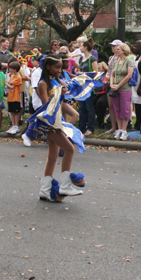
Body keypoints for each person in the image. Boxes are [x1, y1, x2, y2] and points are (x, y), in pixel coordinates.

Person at [30, 55, 83, 202]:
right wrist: (59, 94)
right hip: (51, 123)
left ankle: (44, 190)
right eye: (57, 67)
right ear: (48, 67)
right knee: (69, 149)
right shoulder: (43, 83)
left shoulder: (57, 81)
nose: (60, 70)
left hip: (58, 121)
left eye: (61, 67)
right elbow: (47, 106)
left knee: (53, 157)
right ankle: (65, 185)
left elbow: (62, 102)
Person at [109, 42, 134, 141]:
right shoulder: (116, 62)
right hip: (115, 89)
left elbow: (129, 75)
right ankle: (119, 129)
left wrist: (119, 85)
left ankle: (124, 130)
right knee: (117, 109)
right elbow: (112, 74)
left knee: (125, 109)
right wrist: (112, 84)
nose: (116, 50)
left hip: (125, 89)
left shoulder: (129, 61)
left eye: (118, 49)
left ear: (124, 50)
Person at [77, 39, 98, 136]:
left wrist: (82, 73)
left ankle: (91, 127)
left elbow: (95, 72)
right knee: (82, 107)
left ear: (86, 47)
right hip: (81, 85)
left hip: (89, 85)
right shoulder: (81, 58)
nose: (80, 48)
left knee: (89, 107)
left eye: (81, 46)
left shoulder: (92, 58)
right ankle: (81, 127)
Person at [5, 60, 25, 135]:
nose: (9, 69)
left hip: (15, 97)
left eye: (11, 68)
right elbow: (10, 84)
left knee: (15, 112)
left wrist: (6, 83)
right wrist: (8, 83)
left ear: (15, 69)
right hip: (10, 96)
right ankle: (13, 125)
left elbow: (11, 86)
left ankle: (16, 126)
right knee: (11, 112)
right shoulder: (12, 76)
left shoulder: (18, 77)